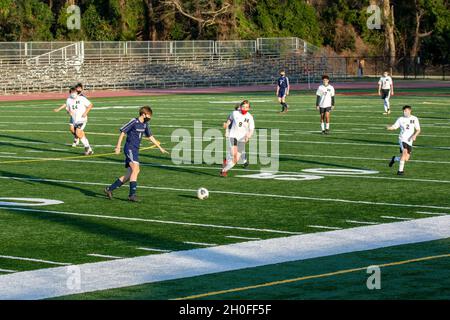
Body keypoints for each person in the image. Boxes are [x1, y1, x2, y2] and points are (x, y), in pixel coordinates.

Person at [104, 106, 168, 202]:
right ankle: (132, 195)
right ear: (143, 114)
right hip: (129, 148)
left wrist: (160, 148)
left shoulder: (145, 124)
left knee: (129, 174)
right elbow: (122, 133)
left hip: (135, 150)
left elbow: (150, 136)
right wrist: (118, 147)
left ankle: (109, 189)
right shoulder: (134, 121)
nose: (150, 117)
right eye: (149, 115)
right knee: (136, 169)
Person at [53, 87, 94, 153]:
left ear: (77, 92)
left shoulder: (82, 98)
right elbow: (68, 109)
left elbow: (90, 105)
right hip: (75, 120)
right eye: (72, 92)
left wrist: (85, 113)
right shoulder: (68, 100)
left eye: (74, 92)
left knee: (78, 132)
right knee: (80, 134)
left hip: (82, 119)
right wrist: (69, 112)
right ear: (70, 93)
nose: (73, 93)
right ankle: (89, 150)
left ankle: (86, 147)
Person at [220, 100, 255, 177]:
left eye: (246, 107)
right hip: (233, 136)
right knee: (233, 153)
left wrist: (248, 136)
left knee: (236, 160)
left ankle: (224, 170)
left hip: (242, 139)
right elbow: (229, 120)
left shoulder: (250, 117)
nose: (244, 108)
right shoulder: (234, 113)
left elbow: (251, 129)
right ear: (240, 107)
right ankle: (226, 160)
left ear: (249, 108)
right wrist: (226, 128)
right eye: (243, 107)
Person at [387, 105, 421, 176]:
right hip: (402, 139)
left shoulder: (414, 118)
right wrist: (389, 128)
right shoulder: (400, 119)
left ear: (409, 111)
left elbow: (418, 130)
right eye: (403, 111)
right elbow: (395, 127)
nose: (404, 112)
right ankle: (400, 171)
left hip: (410, 141)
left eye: (405, 111)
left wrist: (414, 135)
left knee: (406, 158)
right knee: (404, 152)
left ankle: (394, 159)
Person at [223, 102, 249, 169]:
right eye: (238, 109)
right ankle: (228, 160)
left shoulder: (244, 116)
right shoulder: (233, 114)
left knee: (241, 149)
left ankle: (244, 161)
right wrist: (226, 132)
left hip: (240, 135)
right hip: (233, 134)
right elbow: (227, 124)